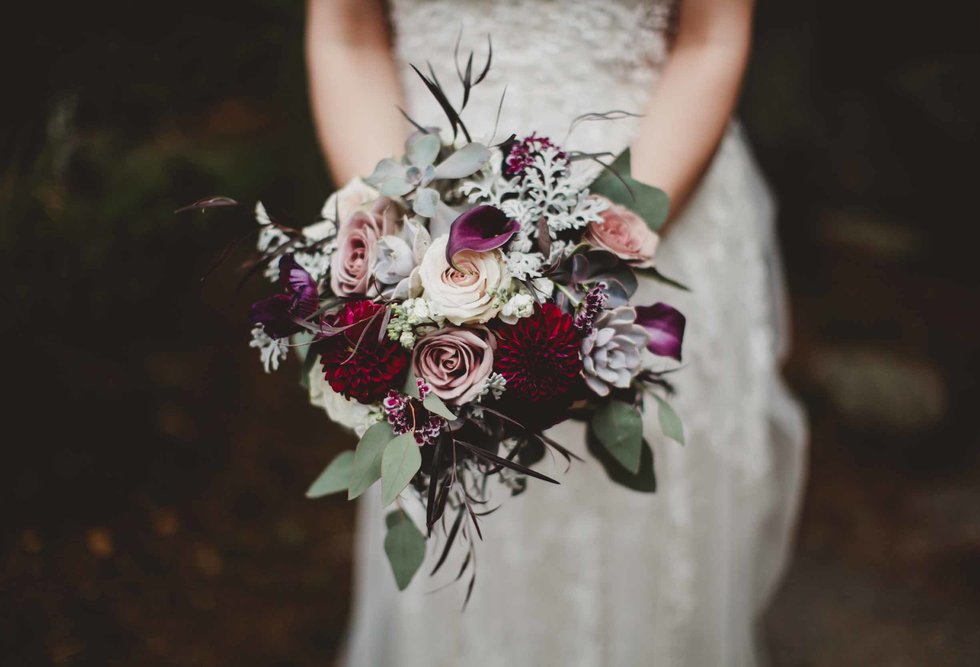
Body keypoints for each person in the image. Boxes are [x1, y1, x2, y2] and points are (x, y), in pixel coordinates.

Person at [306, 1, 808, 665]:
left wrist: (585, 266)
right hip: (428, 234)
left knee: (646, 561)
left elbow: (711, 38)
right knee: (458, 560)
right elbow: (348, 36)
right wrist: (404, 250)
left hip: (652, 222)